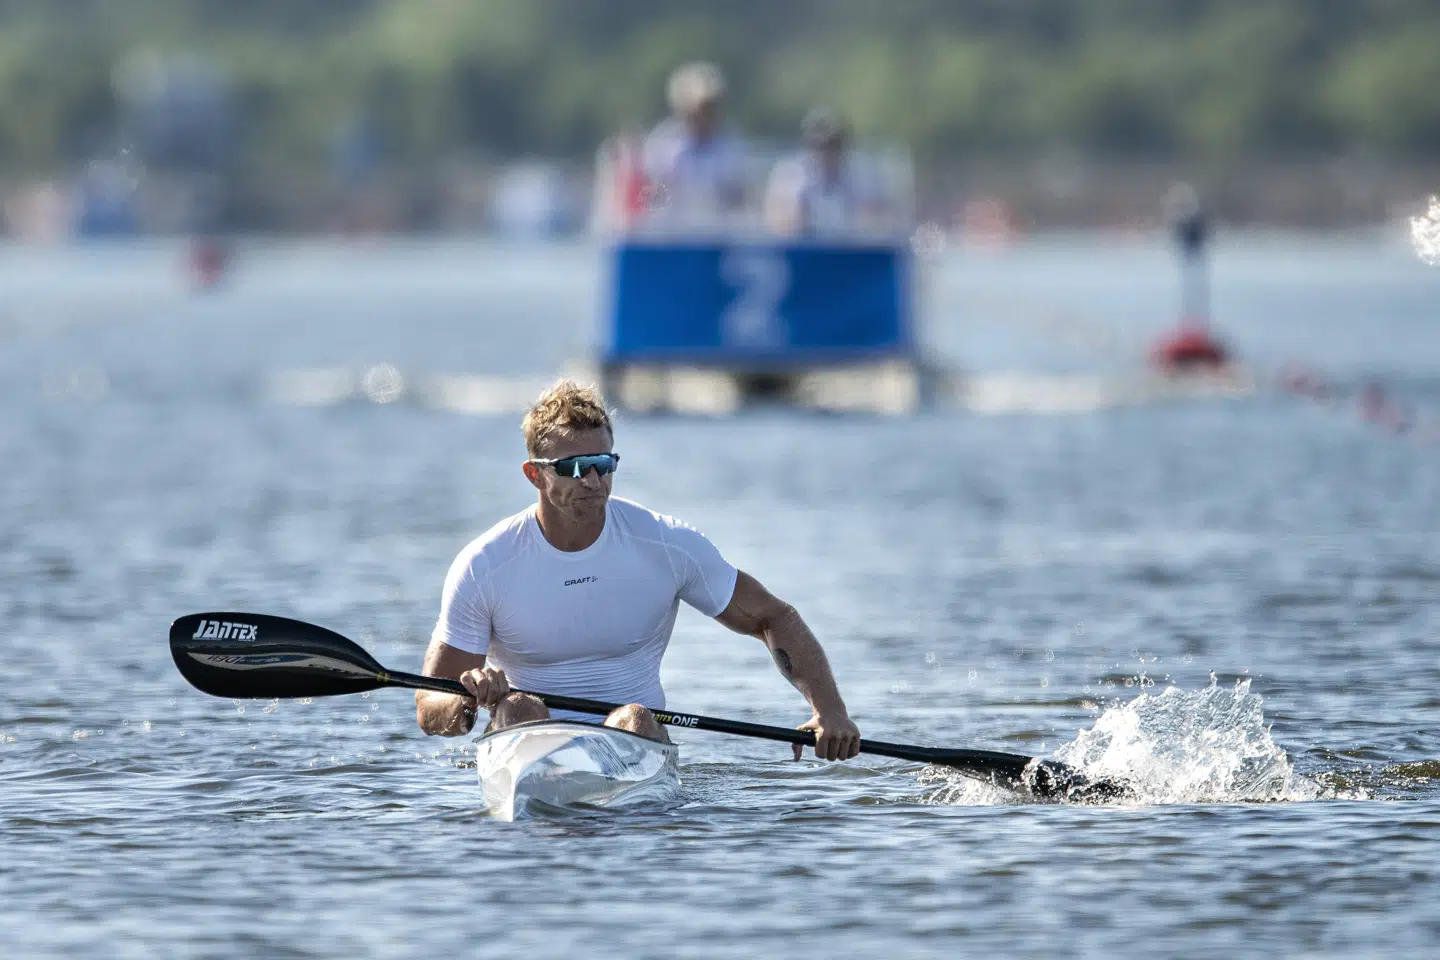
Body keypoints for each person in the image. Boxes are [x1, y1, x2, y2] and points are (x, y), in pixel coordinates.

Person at [414, 380, 862, 761]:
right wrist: (467, 701)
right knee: (518, 709)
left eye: (603, 465)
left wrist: (830, 711)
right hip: (527, 743)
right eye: (571, 469)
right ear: (535, 475)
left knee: (633, 716)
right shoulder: (486, 563)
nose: (591, 482)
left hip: (634, 742)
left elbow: (772, 617)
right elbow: (428, 709)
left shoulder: (664, 544)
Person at [639, 61, 748, 229]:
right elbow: (653, 195)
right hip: (669, 234)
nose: (708, 114)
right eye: (703, 107)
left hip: (716, 234)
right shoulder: (662, 144)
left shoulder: (729, 145)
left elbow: (736, 197)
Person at [764, 107, 884, 237]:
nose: (825, 153)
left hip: (850, 250)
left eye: (832, 145)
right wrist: (796, 216)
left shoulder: (862, 177)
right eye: (818, 145)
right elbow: (774, 220)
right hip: (801, 250)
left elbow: (875, 223)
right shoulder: (788, 175)